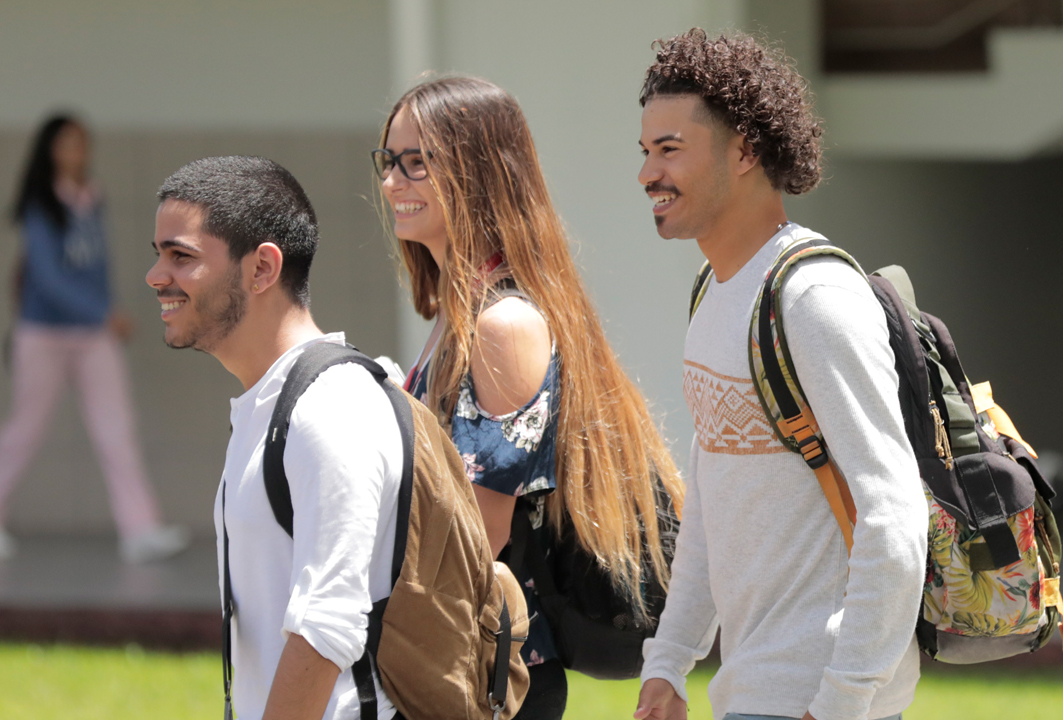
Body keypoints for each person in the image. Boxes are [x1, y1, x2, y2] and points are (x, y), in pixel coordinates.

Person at [632, 30, 929, 720]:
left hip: (815, 691)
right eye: (645, 152)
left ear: (744, 151)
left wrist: (843, 700)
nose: (648, 173)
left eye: (669, 149)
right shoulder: (715, 291)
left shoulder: (813, 298)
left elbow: (893, 514)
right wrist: (671, 660)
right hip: (753, 687)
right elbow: (711, 498)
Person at [374, 76, 685, 720]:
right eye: (388, 162)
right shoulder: (462, 314)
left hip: (485, 675)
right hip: (460, 661)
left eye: (416, 163)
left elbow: (477, 533)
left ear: (478, 171)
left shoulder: (501, 324)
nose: (392, 184)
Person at [148, 156, 404, 720]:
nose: (155, 276)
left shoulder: (330, 408)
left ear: (262, 268)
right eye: (158, 254)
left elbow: (327, 626)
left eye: (181, 256)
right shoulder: (271, 400)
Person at [0, 114, 188, 563]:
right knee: (25, 429)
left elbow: (99, 266)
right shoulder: (40, 204)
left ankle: (140, 528)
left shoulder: (92, 197)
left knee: (116, 429)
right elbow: (45, 277)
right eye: (65, 145)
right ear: (50, 151)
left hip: (94, 335)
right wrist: (103, 313)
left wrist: (107, 310)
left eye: (81, 144)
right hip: (44, 332)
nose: (75, 153)